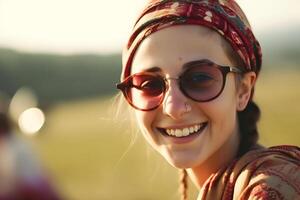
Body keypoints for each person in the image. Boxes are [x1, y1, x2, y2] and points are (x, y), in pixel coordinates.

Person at [116, 0, 300, 199]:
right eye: (149, 84)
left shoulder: (273, 188)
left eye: (199, 78)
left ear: (243, 90)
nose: (173, 107)